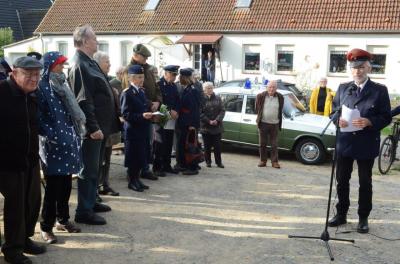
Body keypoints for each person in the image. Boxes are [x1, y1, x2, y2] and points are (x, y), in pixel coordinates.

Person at [328, 48, 391, 234]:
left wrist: (369, 121)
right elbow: (333, 111)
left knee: (365, 182)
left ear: (369, 68)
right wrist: (336, 120)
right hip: (345, 143)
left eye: (362, 67)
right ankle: (341, 214)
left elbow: (386, 117)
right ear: (351, 69)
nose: (358, 71)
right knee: (342, 181)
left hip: (366, 143)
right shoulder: (343, 88)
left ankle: (363, 218)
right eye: (354, 68)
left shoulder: (379, 91)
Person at [68, 25, 120, 225]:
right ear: (84, 41)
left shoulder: (90, 62)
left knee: (95, 167)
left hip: (101, 128)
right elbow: (83, 100)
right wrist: (93, 127)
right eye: (95, 39)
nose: (97, 42)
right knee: (88, 170)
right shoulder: (80, 64)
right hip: (91, 130)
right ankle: (84, 211)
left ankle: (92, 201)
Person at [0, 56, 46, 264]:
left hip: (30, 159)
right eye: (28, 74)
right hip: (7, 161)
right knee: (15, 206)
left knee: (32, 201)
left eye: (37, 74)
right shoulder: (3, 92)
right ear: (14, 73)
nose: (34, 78)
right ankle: (12, 250)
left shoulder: (33, 95)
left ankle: (24, 239)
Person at [36, 52, 83, 244]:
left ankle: (63, 220)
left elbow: (71, 112)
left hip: (69, 143)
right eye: (59, 65)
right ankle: (46, 227)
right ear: (50, 66)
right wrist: (53, 135)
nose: (62, 68)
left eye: (63, 64)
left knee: (65, 185)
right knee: (53, 188)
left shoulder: (62, 85)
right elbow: (39, 118)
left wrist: (72, 133)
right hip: (53, 145)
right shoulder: (42, 87)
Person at [128, 43, 162, 181]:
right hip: (138, 114)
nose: (146, 60)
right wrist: (149, 103)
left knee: (148, 143)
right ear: (136, 55)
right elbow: (132, 93)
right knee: (137, 145)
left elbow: (157, 88)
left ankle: (145, 168)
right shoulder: (130, 70)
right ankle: (134, 172)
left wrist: (157, 102)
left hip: (150, 112)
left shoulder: (148, 70)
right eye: (144, 57)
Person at [120, 65, 152, 192]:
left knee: (141, 156)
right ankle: (132, 181)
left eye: (142, 77)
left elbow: (144, 108)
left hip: (142, 129)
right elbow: (126, 114)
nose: (141, 79)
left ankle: (138, 180)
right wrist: (142, 116)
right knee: (133, 157)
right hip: (133, 131)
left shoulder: (141, 91)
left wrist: (150, 115)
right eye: (139, 77)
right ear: (131, 78)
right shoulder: (127, 93)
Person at [93, 51, 120, 197]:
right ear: (97, 63)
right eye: (106, 61)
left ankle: (105, 184)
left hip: (109, 127)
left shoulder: (105, 78)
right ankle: (97, 187)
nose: (109, 64)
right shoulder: (95, 78)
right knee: (99, 160)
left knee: (107, 158)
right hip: (100, 127)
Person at [153, 65, 181, 176]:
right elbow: (159, 101)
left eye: (175, 75)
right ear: (166, 73)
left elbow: (178, 100)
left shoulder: (173, 86)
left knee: (169, 143)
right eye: (173, 74)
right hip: (161, 118)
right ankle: (157, 167)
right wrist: (170, 111)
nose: (174, 77)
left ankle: (167, 165)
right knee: (159, 144)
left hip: (171, 120)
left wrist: (176, 110)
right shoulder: (159, 85)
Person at [177, 68, 201, 175]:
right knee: (184, 144)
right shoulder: (187, 89)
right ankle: (184, 165)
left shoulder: (192, 90)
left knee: (190, 146)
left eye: (180, 77)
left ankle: (192, 167)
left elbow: (194, 109)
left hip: (189, 122)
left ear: (184, 78)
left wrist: (192, 124)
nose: (179, 78)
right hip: (184, 121)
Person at [255, 80, 284, 169]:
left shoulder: (280, 97)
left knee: (274, 144)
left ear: (276, 88)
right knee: (262, 144)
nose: (271, 89)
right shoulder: (260, 96)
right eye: (270, 87)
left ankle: (274, 162)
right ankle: (263, 161)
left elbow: (280, 109)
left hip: (275, 124)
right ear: (267, 87)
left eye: (273, 87)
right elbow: (257, 108)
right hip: (263, 123)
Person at [200, 82, 225, 168]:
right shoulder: (201, 99)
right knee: (207, 146)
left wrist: (217, 120)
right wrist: (208, 121)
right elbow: (200, 113)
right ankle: (208, 162)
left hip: (217, 127)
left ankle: (219, 162)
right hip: (206, 127)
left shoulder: (218, 98)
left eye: (211, 88)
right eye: (207, 88)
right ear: (204, 90)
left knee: (217, 146)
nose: (209, 89)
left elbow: (222, 110)